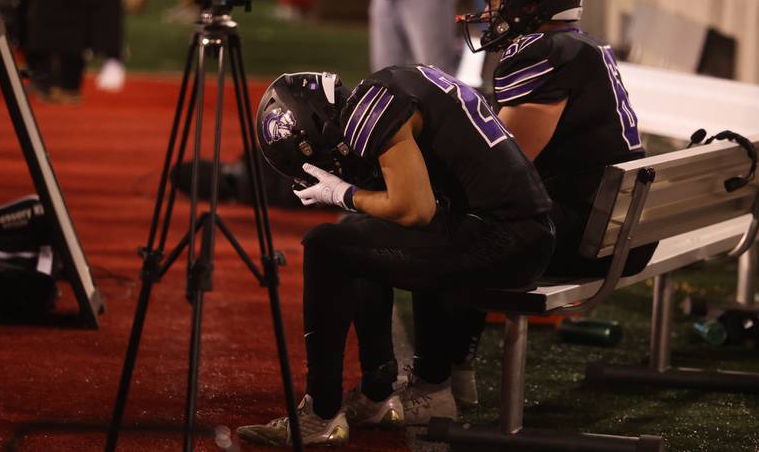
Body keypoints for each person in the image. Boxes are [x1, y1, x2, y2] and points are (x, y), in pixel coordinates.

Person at [408, 0, 659, 419]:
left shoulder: (540, 52)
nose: (488, 8)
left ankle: (433, 382)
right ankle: (455, 372)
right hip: (620, 227)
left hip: (591, 235)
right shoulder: (581, 45)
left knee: (448, 226)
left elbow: (505, 163)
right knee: (475, 216)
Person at [236, 68, 555, 446]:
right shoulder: (396, 84)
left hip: (505, 240)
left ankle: (319, 413)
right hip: (520, 233)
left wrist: (343, 195)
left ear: (317, 125)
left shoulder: (369, 111)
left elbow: (414, 209)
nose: (329, 166)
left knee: (325, 246)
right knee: (356, 236)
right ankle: (379, 394)